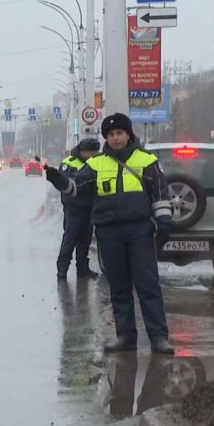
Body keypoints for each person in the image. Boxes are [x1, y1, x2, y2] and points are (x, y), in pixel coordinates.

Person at [45, 113, 175, 354]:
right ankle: (125, 336)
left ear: (128, 134)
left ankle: (159, 337)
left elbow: (160, 193)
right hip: (108, 232)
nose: (115, 138)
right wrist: (59, 180)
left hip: (139, 231)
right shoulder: (95, 164)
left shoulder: (147, 161)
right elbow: (77, 190)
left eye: (120, 133)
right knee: (119, 286)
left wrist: (164, 224)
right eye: (111, 134)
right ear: (106, 137)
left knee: (148, 285)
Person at [56, 138, 101, 280]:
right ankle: (62, 269)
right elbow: (64, 184)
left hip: (90, 207)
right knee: (70, 239)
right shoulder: (69, 162)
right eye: (91, 152)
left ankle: (82, 269)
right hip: (74, 209)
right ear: (83, 151)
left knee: (85, 240)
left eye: (95, 152)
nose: (93, 155)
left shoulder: (96, 163)